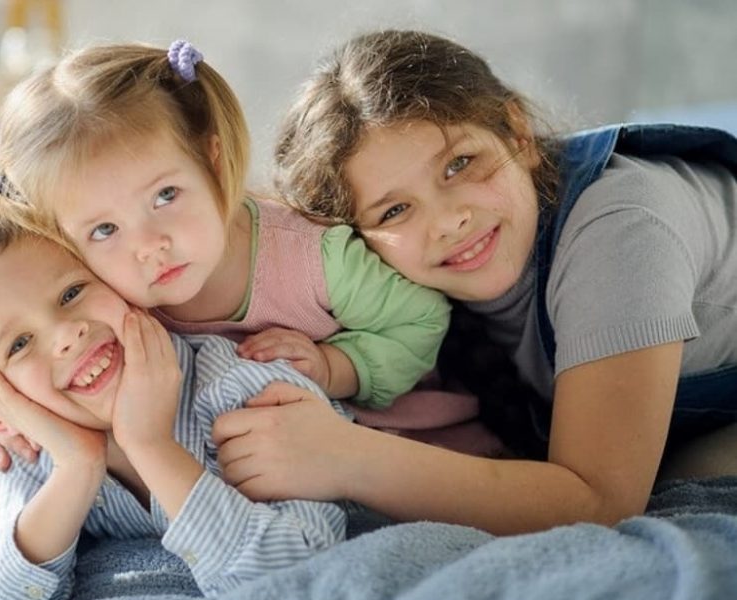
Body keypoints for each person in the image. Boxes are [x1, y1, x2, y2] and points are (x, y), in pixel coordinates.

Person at [210, 29, 737, 536]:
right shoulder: (394, 289)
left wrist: (346, 458)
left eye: (460, 165)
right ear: (355, 240)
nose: (446, 221)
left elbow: (599, 501)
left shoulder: (622, 228)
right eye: (394, 210)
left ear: (518, 133)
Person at [0, 39, 464, 489]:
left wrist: (336, 367)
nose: (149, 246)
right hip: (248, 469)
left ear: (212, 158)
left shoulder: (312, 257)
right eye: (104, 230)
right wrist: (13, 432)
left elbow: (421, 319)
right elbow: (37, 355)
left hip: (397, 445)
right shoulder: (102, 294)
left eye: (165, 195)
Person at [0, 202, 349, 599]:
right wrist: (77, 469)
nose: (65, 335)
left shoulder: (246, 393)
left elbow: (302, 575)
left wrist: (152, 447)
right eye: (19, 344)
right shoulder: (33, 454)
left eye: (72, 293)